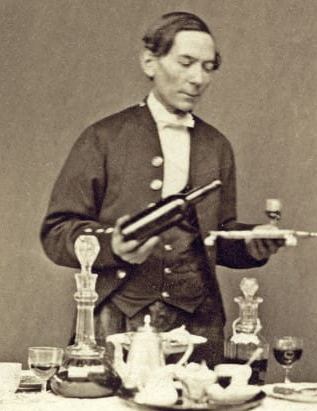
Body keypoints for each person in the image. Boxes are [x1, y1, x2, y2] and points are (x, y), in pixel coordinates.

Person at [41, 12, 281, 364]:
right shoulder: (104, 138)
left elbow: (217, 238)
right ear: (150, 61)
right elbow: (56, 233)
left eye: (208, 67)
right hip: (118, 321)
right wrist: (113, 245)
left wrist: (254, 242)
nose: (197, 78)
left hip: (200, 326)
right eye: (186, 63)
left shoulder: (217, 146)